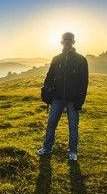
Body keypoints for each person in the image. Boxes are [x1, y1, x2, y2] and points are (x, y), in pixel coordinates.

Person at [36, 32, 89, 161]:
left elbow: (84, 82)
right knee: (51, 124)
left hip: (73, 99)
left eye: (70, 39)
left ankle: (73, 152)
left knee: (73, 126)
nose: (67, 41)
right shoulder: (56, 58)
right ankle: (47, 148)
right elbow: (49, 76)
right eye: (65, 39)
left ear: (74, 42)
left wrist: (80, 101)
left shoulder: (81, 60)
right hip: (57, 98)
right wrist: (48, 88)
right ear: (61, 42)